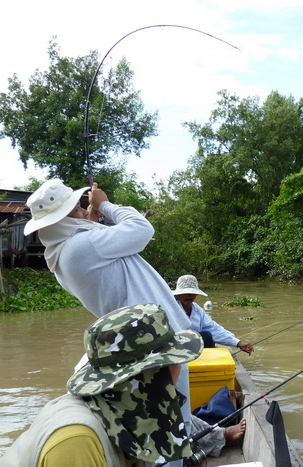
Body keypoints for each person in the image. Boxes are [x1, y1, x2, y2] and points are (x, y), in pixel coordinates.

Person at [23, 179, 194, 463]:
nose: (82, 210)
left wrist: (90, 219)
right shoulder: (81, 247)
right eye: (77, 207)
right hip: (153, 344)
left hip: (143, 342)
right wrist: (103, 203)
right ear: (65, 218)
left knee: (162, 426)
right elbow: (142, 229)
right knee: (171, 429)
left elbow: (106, 248)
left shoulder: (65, 250)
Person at [0, 303, 204, 467]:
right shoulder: (76, 443)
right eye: (176, 362)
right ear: (151, 376)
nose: (179, 369)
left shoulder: (125, 414)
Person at [173, 275, 254, 355]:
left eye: (192, 293)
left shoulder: (197, 310)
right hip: (174, 347)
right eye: (185, 293)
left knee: (207, 336)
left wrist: (238, 343)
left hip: (193, 348)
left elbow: (214, 329)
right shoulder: (170, 309)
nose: (189, 296)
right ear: (179, 294)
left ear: (196, 294)